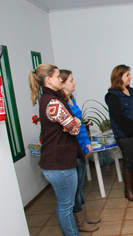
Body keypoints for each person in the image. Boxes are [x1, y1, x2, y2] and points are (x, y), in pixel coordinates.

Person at [29, 64, 83, 236]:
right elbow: (74, 129)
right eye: (58, 76)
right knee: (66, 205)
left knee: (64, 204)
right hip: (59, 164)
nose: (61, 79)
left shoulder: (49, 98)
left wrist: (72, 123)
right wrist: (75, 123)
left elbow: (70, 126)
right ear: (48, 79)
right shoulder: (53, 102)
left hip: (56, 163)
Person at [60, 70, 100, 232]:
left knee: (80, 185)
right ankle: (79, 223)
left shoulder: (71, 99)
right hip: (72, 151)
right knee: (75, 189)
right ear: (62, 84)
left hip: (81, 148)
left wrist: (87, 143)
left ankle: (84, 217)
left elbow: (80, 124)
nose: (74, 82)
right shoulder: (60, 103)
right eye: (71, 80)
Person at [105, 65, 133, 202]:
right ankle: (128, 190)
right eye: (127, 75)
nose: (130, 77)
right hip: (124, 134)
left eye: (129, 75)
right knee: (128, 162)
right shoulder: (111, 95)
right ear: (119, 77)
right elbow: (119, 117)